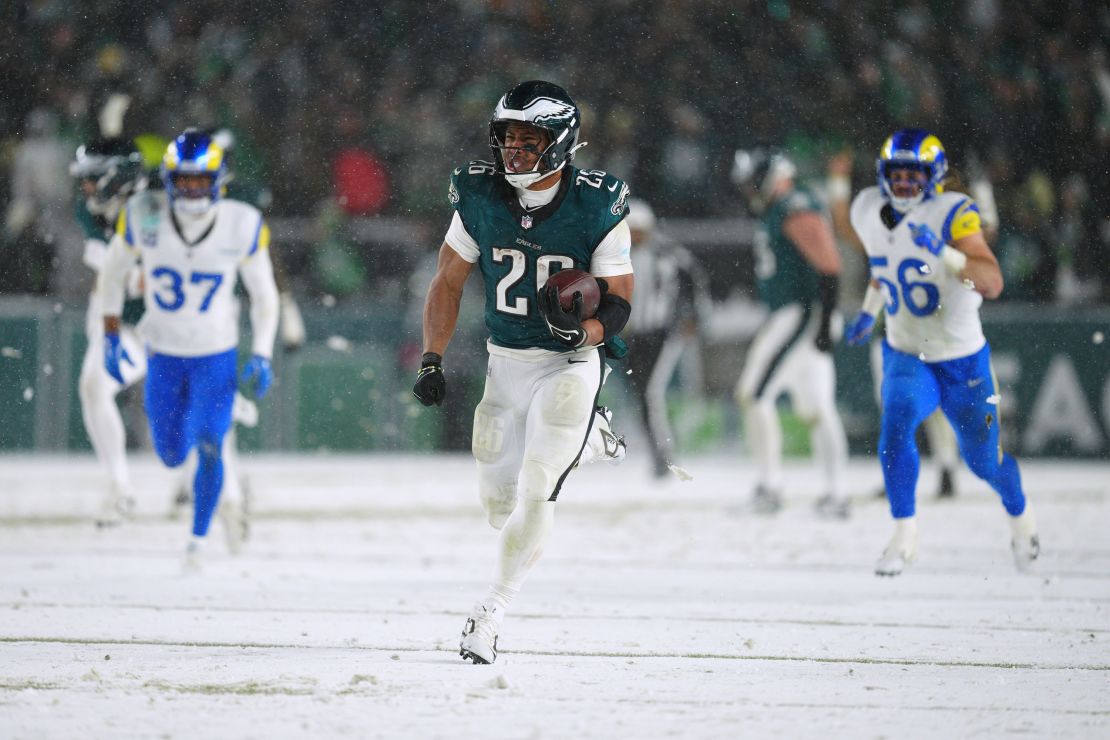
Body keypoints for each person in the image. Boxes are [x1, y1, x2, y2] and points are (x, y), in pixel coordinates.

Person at [413, 80, 633, 665]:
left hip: (568, 363)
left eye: (529, 139)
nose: (514, 150)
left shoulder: (596, 201)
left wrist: (581, 334)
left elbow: (619, 303)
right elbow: (448, 281)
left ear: (561, 143)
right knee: (496, 499)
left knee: (539, 489)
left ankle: (491, 613)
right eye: (508, 137)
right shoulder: (480, 195)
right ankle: (592, 440)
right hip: (505, 361)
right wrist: (432, 356)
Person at [843, 128, 1039, 576]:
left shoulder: (954, 213)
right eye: (898, 174)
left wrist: (948, 255)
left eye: (915, 175)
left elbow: (991, 282)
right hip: (907, 350)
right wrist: (870, 311)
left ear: (935, 176)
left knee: (984, 462)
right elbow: (885, 265)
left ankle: (1021, 517)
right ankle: (904, 533)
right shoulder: (868, 208)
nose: (906, 184)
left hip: (962, 358)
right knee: (896, 425)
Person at [99, 129, 279, 569]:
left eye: (201, 180)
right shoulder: (144, 214)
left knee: (210, 443)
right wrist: (109, 331)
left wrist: (261, 351)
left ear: (218, 179)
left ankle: (197, 543)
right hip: (161, 351)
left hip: (215, 355)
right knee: (171, 453)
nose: (193, 189)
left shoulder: (242, 222)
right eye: (185, 180)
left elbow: (264, 294)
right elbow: (112, 273)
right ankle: (215, 437)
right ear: (169, 179)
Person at [827, 150, 961, 500]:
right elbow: (847, 229)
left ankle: (945, 469)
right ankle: (916, 474)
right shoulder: (885, 225)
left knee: (926, 402)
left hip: (926, 322)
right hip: (896, 325)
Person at [730, 148, 850, 518]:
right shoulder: (784, 206)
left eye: (753, 182)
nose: (750, 191)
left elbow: (829, 264)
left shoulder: (793, 204)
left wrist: (823, 318)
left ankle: (769, 488)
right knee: (817, 407)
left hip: (801, 314)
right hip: (804, 313)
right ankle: (835, 494)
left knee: (754, 394)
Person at [69, 137, 150, 526]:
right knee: (94, 387)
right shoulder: (95, 211)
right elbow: (112, 269)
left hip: (170, 325)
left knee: (192, 412)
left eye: (93, 178)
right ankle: (120, 488)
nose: (86, 188)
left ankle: (213, 486)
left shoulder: (154, 209)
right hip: (122, 322)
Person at [623, 197, 711, 478]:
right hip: (632, 334)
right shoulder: (615, 252)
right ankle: (658, 448)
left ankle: (664, 453)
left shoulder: (667, 252)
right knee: (642, 395)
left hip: (663, 332)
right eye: (631, 229)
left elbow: (694, 281)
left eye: (640, 229)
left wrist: (694, 317)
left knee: (651, 392)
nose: (636, 235)